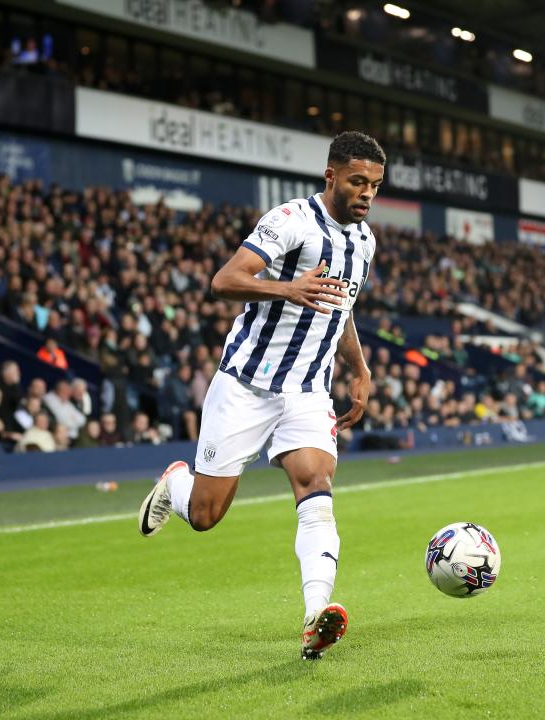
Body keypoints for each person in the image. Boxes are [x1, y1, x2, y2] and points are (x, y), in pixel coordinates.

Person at [137, 131, 385, 660]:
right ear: (332, 177)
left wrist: (359, 367)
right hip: (246, 385)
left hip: (308, 391)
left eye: (375, 186)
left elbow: (340, 308)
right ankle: (176, 484)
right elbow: (225, 280)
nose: (366, 194)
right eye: (358, 182)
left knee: (316, 484)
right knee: (205, 515)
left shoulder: (363, 242)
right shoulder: (291, 220)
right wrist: (287, 288)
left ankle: (316, 615)